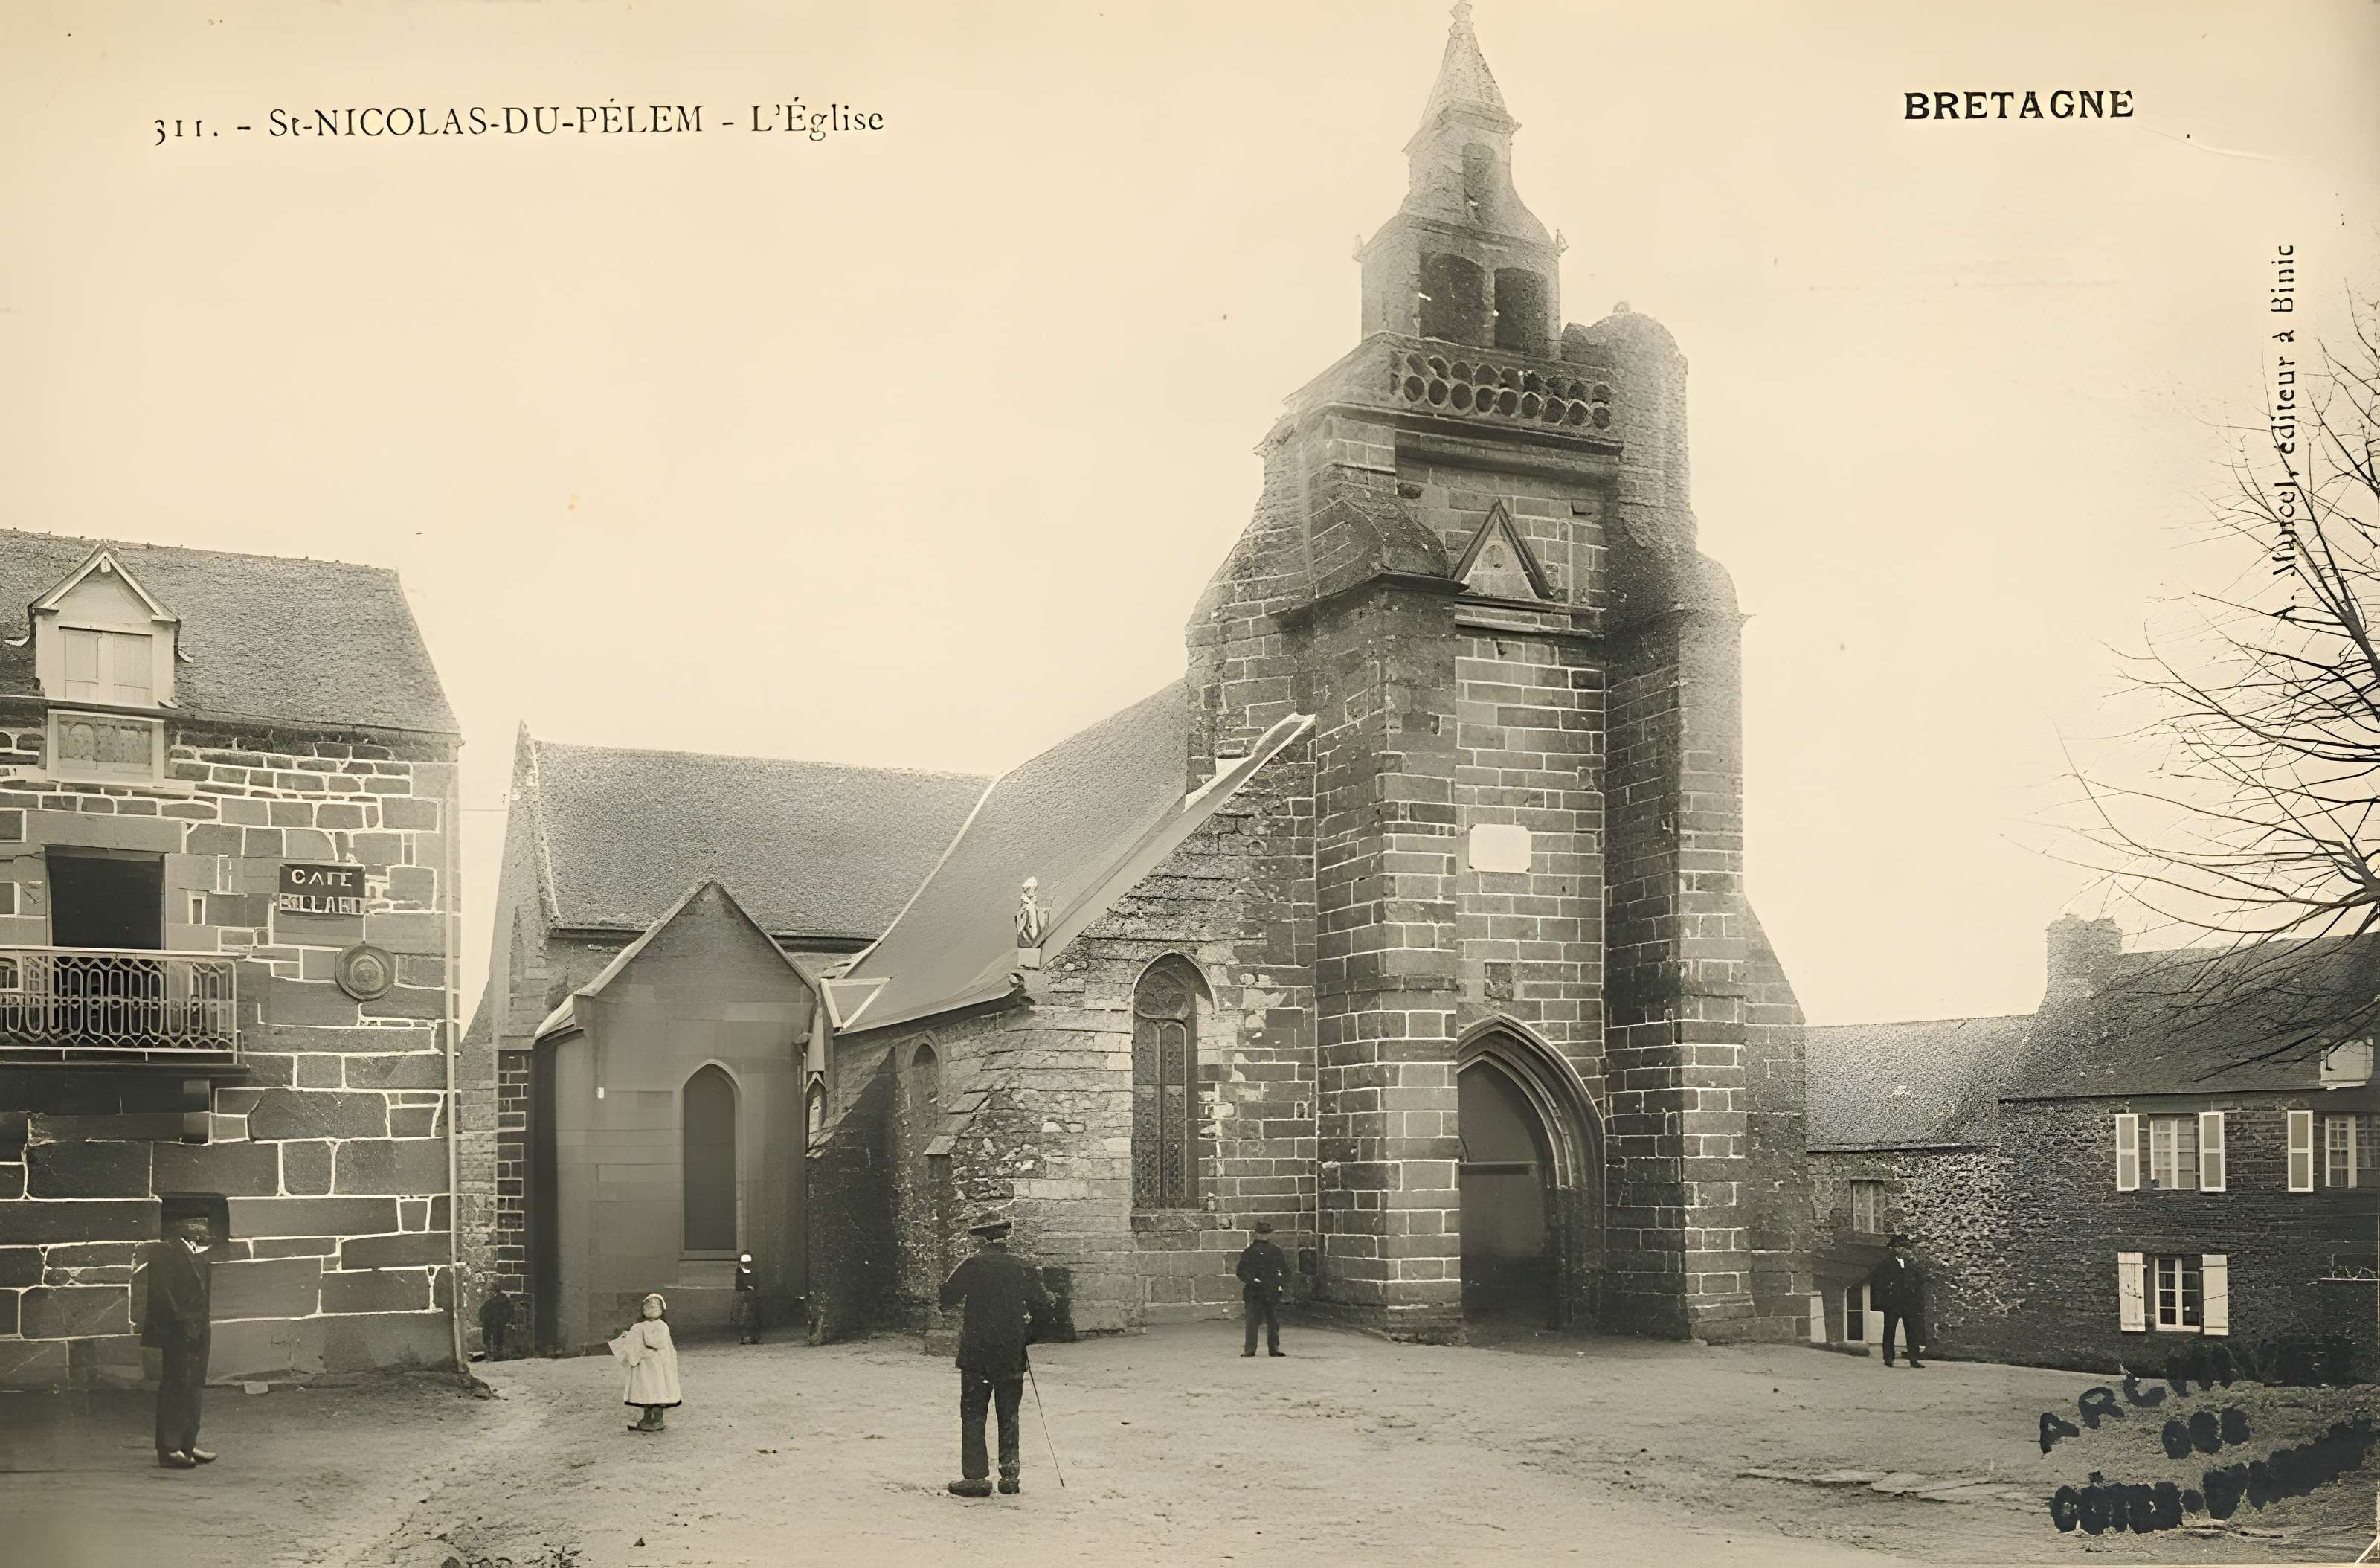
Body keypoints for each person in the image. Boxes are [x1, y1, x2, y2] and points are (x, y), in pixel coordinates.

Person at [938, 1213, 1052, 1498]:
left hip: (977, 1353)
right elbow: (1045, 1313)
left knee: (974, 1413)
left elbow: (946, 1298)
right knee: (1009, 1413)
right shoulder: (1023, 1267)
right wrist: (1024, 1338)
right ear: (1005, 1240)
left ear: (981, 1240)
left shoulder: (972, 1265)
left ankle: (976, 1477)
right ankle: (1010, 1476)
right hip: (1011, 1352)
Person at [141, 1211, 218, 1470]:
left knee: (194, 1386)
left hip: (198, 1329)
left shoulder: (198, 1253)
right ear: (185, 1227)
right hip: (178, 1331)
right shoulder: (166, 1252)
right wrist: (182, 1323)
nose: (205, 1229)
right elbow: (162, 1296)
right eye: (198, 1224)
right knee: (176, 1386)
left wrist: (200, 1324)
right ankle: (170, 1449)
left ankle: (187, 1444)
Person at [610, 1292, 682, 1431]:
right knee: (646, 1391)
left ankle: (657, 1420)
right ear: (643, 1310)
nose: (652, 1309)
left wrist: (642, 1333)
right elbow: (634, 1340)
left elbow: (655, 1342)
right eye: (648, 1307)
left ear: (662, 1310)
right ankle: (646, 1419)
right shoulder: (640, 1325)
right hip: (644, 1366)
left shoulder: (662, 1326)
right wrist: (629, 1336)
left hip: (657, 1366)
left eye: (655, 1307)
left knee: (657, 1391)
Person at [1867, 1233, 1929, 1369]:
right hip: (1893, 1303)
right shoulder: (1886, 1264)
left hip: (1908, 1303)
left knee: (1912, 1331)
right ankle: (1888, 1358)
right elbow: (1878, 1282)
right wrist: (1885, 1296)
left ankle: (1914, 1359)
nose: (1902, 1250)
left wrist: (1916, 1300)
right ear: (1894, 1248)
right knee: (1889, 1330)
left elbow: (1918, 1282)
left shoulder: (1911, 1265)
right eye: (1899, 1247)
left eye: (1904, 1247)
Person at [1235, 1218, 1289, 1357]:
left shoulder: (1276, 1252)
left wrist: (1280, 1285)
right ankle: (1250, 1349)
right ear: (1256, 1234)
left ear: (1269, 1235)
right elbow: (1241, 1272)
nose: (1263, 1236)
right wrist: (1253, 1280)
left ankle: (1274, 1348)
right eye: (1261, 1233)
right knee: (1252, 1321)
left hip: (1271, 1292)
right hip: (1254, 1292)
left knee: (1273, 1322)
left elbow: (1285, 1271)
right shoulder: (1249, 1252)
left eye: (1266, 1233)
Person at [478, 1286, 515, 1361]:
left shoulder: (505, 1302)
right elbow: (483, 1312)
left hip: (497, 1323)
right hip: (491, 1323)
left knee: (497, 1337)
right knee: (493, 1338)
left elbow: (510, 1312)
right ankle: (493, 1354)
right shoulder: (490, 1303)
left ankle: (495, 1354)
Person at [732, 1253, 759, 1345]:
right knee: (747, 1316)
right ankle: (748, 1337)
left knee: (744, 1316)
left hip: (744, 1295)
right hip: (747, 1295)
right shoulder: (745, 1272)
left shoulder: (740, 1272)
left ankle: (746, 1337)